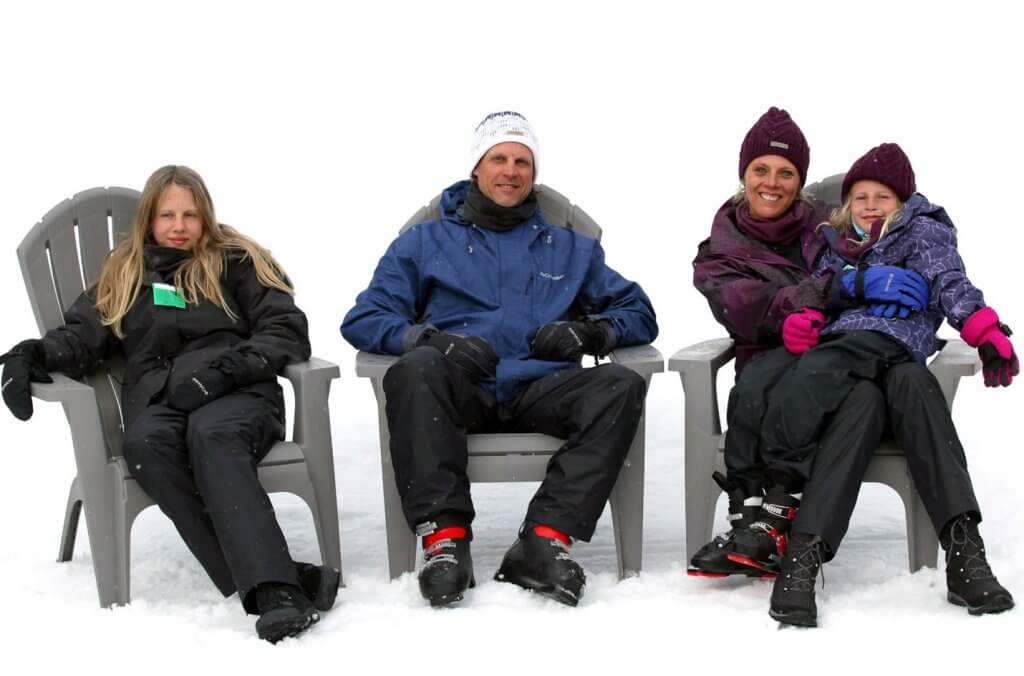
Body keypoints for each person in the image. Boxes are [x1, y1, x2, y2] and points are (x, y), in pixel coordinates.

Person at [0, 165, 339, 643]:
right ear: (148, 220)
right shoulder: (126, 275)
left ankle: (278, 594)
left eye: (190, 215)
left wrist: (223, 372)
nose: (178, 226)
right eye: (167, 216)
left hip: (237, 395)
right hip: (161, 401)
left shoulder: (236, 263)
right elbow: (81, 336)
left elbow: (285, 330)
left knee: (213, 436)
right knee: (145, 445)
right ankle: (283, 574)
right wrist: (30, 355)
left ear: (206, 218)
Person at [341, 111, 657, 608]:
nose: (510, 171)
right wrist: (431, 340)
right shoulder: (423, 243)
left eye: (522, 162)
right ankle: (445, 541)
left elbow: (638, 312)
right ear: (477, 168)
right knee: (417, 369)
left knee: (620, 385)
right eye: (499, 159)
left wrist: (589, 332)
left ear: (534, 173)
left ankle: (544, 539)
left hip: (541, 387)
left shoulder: (570, 248)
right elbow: (364, 318)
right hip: (462, 387)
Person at [762, 143, 1016, 626]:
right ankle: (802, 561)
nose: (871, 204)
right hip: (856, 369)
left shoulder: (922, 234)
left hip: (895, 345)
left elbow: (949, 281)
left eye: (882, 196)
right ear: (846, 204)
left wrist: (983, 329)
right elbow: (816, 291)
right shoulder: (836, 243)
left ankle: (965, 555)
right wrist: (808, 318)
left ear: (902, 203)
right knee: (872, 400)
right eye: (860, 196)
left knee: (901, 380)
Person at [688, 108, 931, 578]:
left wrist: (911, 283)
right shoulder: (719, 249)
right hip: (768, 364)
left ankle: (773, 526)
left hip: (841, 359)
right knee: (757, 386)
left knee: (854, 391)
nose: (772, 182)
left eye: (786, 172)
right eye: (761, 169)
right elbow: (747, 308)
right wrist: (838, 289)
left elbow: (891, 242)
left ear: (801, 180)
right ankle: (750, 518)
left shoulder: (832, 224)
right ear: (744, 174)